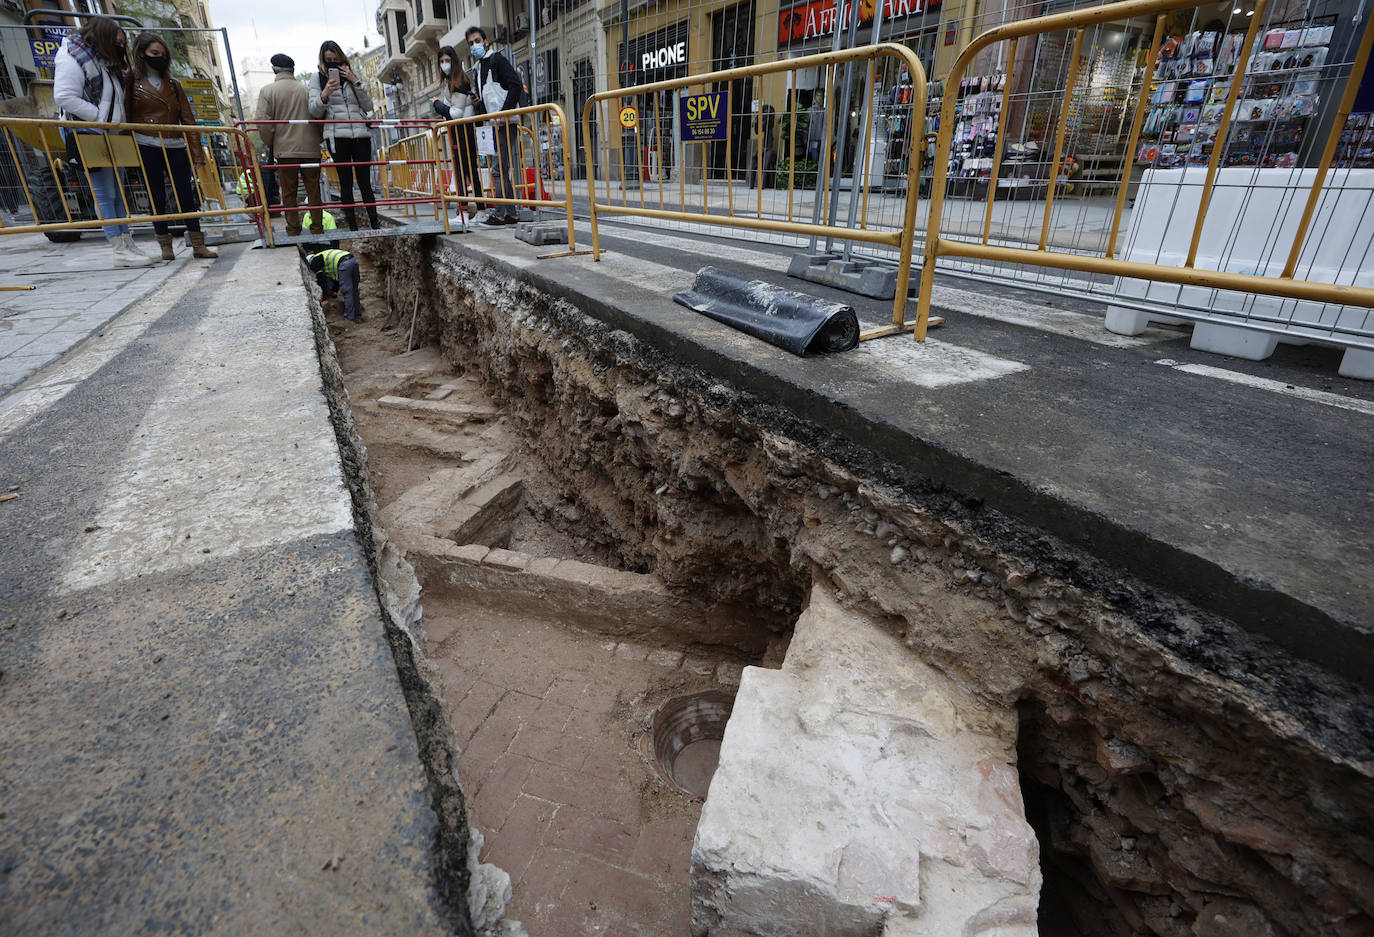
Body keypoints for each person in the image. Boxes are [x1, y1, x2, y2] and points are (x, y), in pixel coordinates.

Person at [52, 16, 156, 267]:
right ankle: (118, 247)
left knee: (117, 192)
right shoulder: (72, 56)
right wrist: (99, 118)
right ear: (105, 38)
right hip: (90, 133)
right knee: (105, 193)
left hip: (112, 133)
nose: (121, 47)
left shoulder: (105, 62)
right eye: (118, 42)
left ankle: (126, 242)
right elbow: (64, 96)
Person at [124, 31, 217, 261]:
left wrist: (197, 153)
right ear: (141, 53)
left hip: (175, 144)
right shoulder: (131, 82)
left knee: (186, 195)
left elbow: (188, 120)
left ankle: (198, 244)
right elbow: (125, 114)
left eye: (163, 54)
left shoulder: (174, 85)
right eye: (155, 53)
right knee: (156, 196)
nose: (159, 57)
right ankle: (165, 246)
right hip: (145, 144)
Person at [308, 41, 380, 231]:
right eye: (328, 61)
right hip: (336, 135)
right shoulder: (317, 79)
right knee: (345, 181)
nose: (333, 64)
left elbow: (368, 106)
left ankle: (375, 222)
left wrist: (355, 81)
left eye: (336, 60)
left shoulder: (352, 75)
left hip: (360, 133)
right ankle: (353, 226)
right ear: (323, 61)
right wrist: (325, 93)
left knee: (365, 181)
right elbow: (314, 110)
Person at [256, 53, 324, 237]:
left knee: (288, 191)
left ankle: (293, 228)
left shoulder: (267, 91)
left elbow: (262, 122)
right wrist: (318, 139)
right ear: (292, 69)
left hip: (285, 150)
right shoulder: (306, 90)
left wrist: (271, 142)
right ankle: (317, 227)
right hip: (311, 148)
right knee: (314, 190)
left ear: (274, 69)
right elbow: (319, 115)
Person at [466, 26, 523, 226]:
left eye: (477, 41)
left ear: (486, 41)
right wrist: (478, 103)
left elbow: (515, 85)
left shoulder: (497, 60)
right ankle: (511, 213)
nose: (475, 45)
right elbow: (491, 96)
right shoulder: (479, 67)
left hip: (504, 122)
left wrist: (504, 113)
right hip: (493, 124)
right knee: (500, 168)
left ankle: (500, 213)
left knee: (498, 169)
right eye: (471, 43)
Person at [432, 45, 485, 224]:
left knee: (464, 172)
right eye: (441, 61)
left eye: (447, 60)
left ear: (454, 61)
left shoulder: (458, 82)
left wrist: (437, 104)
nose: (444, 64)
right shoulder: (456, 81)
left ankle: (464, 214)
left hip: (462, 131)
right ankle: (480, 212)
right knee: (470, 172)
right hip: (464, 130)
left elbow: (455, 113)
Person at [306, 249, 361, 321]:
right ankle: (357, 314)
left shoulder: (314, 261)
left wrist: (324, 296)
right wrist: (333, 291)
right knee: (354, 290)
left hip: (345, 264)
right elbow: (335, 279)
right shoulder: (324, 256)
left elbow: (321, 280)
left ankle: (349, 318)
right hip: (353, 261)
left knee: (347, 292)